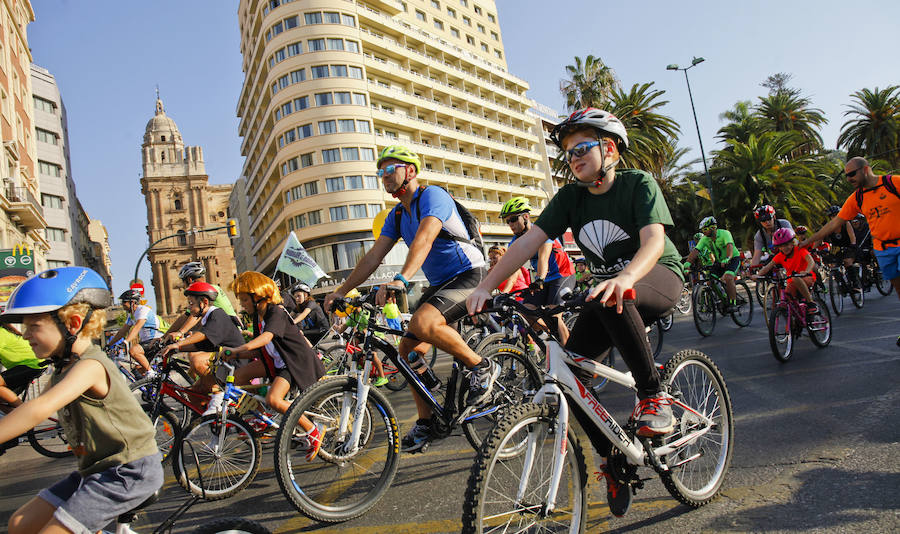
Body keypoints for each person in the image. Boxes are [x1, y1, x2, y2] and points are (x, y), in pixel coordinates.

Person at [467, 108, 684, 517]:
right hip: (607, 292)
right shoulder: (569, 198)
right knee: (572, 385)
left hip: (656, 275)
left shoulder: (638, 184)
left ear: (610, 148)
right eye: (567, 153)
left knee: (609, 296)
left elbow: (654, 241)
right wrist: (485, 286)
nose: (573, 158)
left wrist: (626, 276)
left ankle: (655, 396)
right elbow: (526, 244)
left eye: (582, 148)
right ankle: (613, 461)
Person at [322, 144, 498, 454]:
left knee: (422, 321)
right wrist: (341, 290)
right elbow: (374, 256)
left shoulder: (433, 196)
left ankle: (481, 366)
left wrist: (401, 278)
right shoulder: (398, 215)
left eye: (390, 170)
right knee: (406, 351)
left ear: (410, 171)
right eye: (381, 172)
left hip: (470, 274)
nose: (384, 176)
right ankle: (428, 421)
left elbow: (426, 238)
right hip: (442, 283)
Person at [2, 267, 163, 534]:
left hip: (128, 471)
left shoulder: (89, 366)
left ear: (73, 324)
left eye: (34, 326)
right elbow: (32, 412)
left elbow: (37, 409)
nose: (25, 334)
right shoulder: (64, 368)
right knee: (20, 525)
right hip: (95, 471)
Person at [222, 271, 325, 462]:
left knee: (274, 399)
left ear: (258, 296)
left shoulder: (275, 312)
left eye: (244, 299)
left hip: (293, 362)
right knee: (237, 378)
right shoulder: (257, 317)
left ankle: (312, 430)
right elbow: (259, 350)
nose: (242, 304)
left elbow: (266, 338)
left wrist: (238, 348)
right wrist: (233, 354)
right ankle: (261, 419)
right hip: (274, 361)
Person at [802, 157, 900, 345]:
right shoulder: (857, 197)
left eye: (852, 174)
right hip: (883, 249)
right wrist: (807, 241)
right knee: (898, 290)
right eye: (846, 176)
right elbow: (834, 223)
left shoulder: (892, 183)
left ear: (865, 170)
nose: (849, 179)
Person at [161, 281, 245, 413]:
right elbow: (202, 345)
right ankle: (208, 421)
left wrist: (179, 343)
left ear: (204, 302)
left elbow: (203, 335)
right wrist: (176, 349)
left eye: (191, 303)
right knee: (193, 393)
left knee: (198, 361)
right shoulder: (208, 317)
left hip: (236, 361)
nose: (189, 307)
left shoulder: (217, 314)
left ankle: (218, 395)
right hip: (223, 362)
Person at [500, 196, 576, 343]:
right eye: (507, 221)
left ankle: (571, 354)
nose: (510, 224)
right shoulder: (515, 242)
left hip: (562, 275)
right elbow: (513, 269)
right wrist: (504, 292)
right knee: (525, 309)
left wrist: (539, 278)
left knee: (553, 314)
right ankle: (551, 335)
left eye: (514, 219)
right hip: (544, 279)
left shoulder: (542, 232)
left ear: (526, 217)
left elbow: (543, 258)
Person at [163, 262, 242, 393]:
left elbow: (191, 317)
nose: (189, 306)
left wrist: (179, 334)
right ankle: (207, 393)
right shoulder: (212, 287)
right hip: (221, 334)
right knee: (194, 383)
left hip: (226, 340)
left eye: (183, 282)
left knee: (196, 359)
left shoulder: (203, 292)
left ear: (189, 279)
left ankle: (217, 393)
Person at [683, 216, 741, 311]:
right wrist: (687, 263)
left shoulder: (725, 233)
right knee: (710, 281)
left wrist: (728, 258)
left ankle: (733, 303)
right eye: (702, 230)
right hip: (719, 262)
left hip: (732, 258)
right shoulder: (705, 239)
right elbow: (695, 251)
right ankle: (723, 297)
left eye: (705, 229)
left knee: (728, 277)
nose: (704, 232)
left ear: (713, 228)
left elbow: (729, 246)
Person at [754, 228, 818, 309]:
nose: (785, 248)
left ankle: (811, 302)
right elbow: (767, 267)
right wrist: (757, 276)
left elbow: (811, 261)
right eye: (781, 246)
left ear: (792, 243)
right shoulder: (780, 256)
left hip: (807, 277)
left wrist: (806, 271)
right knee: (786, 297)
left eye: (787, 244)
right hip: (791, 282)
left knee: (795, 278)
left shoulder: (800, 250)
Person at [107, 289, 165, 376]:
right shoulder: (131, 315)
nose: (122, 304)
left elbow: (137, 327)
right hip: (147, 342)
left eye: (124, 302)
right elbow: (122, 332)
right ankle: (153, 388)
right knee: (138, 370)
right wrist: (109, 345)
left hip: (156, 339)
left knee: (134, 351)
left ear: (132, 302)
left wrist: (126, 342)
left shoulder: (142, 310)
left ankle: (152, 373)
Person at [0, 325, 44, 412]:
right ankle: (24, 423)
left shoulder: (1, 333)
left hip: (31, 364)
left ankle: (25, 412)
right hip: (27, 365)